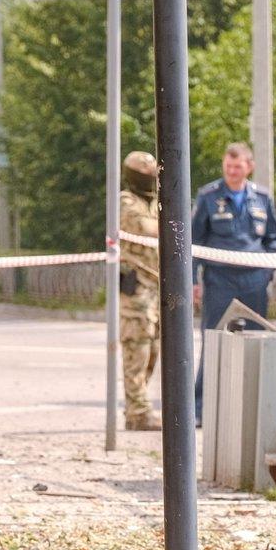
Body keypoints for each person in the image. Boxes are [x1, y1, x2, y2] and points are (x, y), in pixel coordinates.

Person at [191, 143, 276, 415]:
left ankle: (258, 406)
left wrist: (268, 273)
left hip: (254, 280)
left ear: (249, 167)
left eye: (237, 166)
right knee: (215, 340)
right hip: (220, 280)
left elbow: (273, 240)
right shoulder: (208, 196)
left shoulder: (262, 198)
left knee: (256, 341)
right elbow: (195, 241)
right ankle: (202, 407)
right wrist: (195, 279)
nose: (232, 171)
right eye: (228, 166)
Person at [118, 150, 163, 431]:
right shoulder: (127, 201)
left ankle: (138, 406)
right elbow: (145, 227)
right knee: (136, 349)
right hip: (136, 288)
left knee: (153, 350)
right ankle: (138, 411)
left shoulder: (155, 202)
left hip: (155, 287)